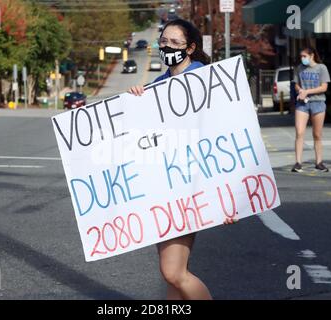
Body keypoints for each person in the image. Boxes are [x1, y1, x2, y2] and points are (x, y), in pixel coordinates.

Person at [128, 19, 236, 301]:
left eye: (174, 43)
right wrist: (138, 99)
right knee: (173, 277)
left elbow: (222, 139)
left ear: (190, 48)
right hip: (165, 188)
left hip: (190, 187)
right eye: (163, 42)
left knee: (174, 272)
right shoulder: (160, 83)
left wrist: (225, 197)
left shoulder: (203, 79)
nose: (167, 47)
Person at [292, 47, 331, 173]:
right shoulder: (299, 68)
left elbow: (324, 87)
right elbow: (296, 84)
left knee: (317, 134)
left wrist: (307, 91)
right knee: (299, 132)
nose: (302, 58)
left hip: (318, 103)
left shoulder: (321, 68)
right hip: (302, 104)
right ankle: (298, 162)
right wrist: (300, 91)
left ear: (312, 55)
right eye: (301, 56)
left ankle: (319, 162)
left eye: (304, 56)